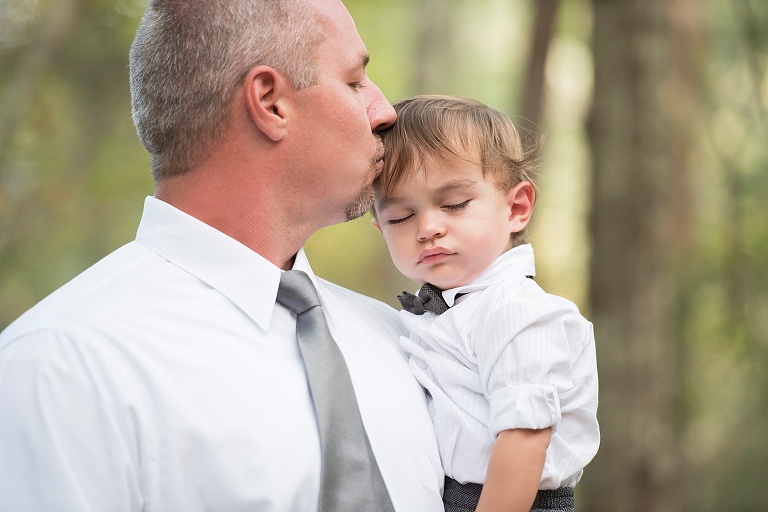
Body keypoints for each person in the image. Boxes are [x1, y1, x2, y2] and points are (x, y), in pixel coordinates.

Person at [0, 1, 445, 511]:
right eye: (353, 82)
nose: (385, 111)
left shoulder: (406, 344)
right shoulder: (60, 372)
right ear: (270, 102)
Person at [371, 95, 599, 512]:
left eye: (455, 204)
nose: (427, 228)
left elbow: (523, 437)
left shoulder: (515, 311)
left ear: (516, 207)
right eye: (400, 217)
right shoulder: (447, 312)